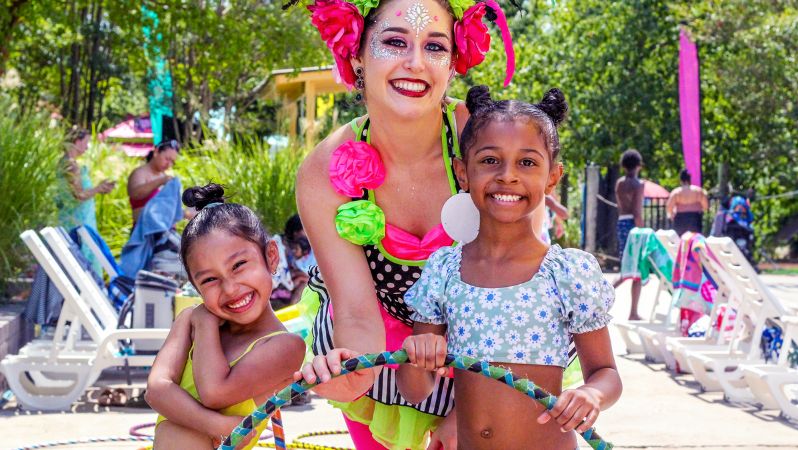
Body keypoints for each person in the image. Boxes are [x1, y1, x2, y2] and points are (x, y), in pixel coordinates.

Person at [293, 0, 519, 447]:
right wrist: (348, 377)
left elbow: (518, 287)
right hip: (382, 346)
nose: (415, 63)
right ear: (356, 51)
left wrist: (470, 413)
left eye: (435, 46)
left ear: (453, 61)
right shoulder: (322, 172)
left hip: (494, 340)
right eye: (395, 42)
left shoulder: (488, 138)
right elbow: (357, 312)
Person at [393, 86, 622, 449]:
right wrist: (419, 354)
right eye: (489, 160)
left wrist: (592, 394)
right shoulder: (445, 271)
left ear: (552, 177)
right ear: (462, 172)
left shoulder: (565, 274)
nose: (508, 176)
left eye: (527, 163)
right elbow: (413, 389)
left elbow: (606, 374)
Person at [146, 183, 306, 450]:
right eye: (209, 279)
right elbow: (156, 390)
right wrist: (218, 427)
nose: (230, 289)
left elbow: (214, 392)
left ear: (271, 256)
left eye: (239, 265)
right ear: (195, 287)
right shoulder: (190, 320)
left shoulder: (285, 346)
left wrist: (205, 323)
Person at [55, 127, 115, 230]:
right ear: (77, 142)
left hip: (73, 215)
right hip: (77, 218)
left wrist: (100, 187)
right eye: (86, 142)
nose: (87, 147)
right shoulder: (71, 165)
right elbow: (79, 194)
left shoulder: (65, 162)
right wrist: (99, 188)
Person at [613, 149, 645, 320]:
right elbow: (637, 212)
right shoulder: (638, 185)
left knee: (626, 267)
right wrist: (643, 230)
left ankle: (600, 297)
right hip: (633, 226)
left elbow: (622, 206)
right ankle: (633, 312)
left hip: (621, 223)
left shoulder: (619, 183)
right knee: (636, 270)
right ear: (638, 165)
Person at [127, 139, 180, 225]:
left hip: (165, 230)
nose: (169, 164)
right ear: (156, 152)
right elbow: (134, 193)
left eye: (172, 162)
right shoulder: (140, 173)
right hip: (144, 230)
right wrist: (160, 181)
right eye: (167, 159)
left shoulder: (165, 177)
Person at [666, 168, 709, 236]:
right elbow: (706, 206)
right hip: (695, 218)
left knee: (680, 240)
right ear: (690, 179)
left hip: (680, 219)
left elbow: (669, 208)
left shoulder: (676, 192)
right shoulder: (698, 191)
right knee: (695, 240)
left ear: (680, 180)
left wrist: (672, 215)